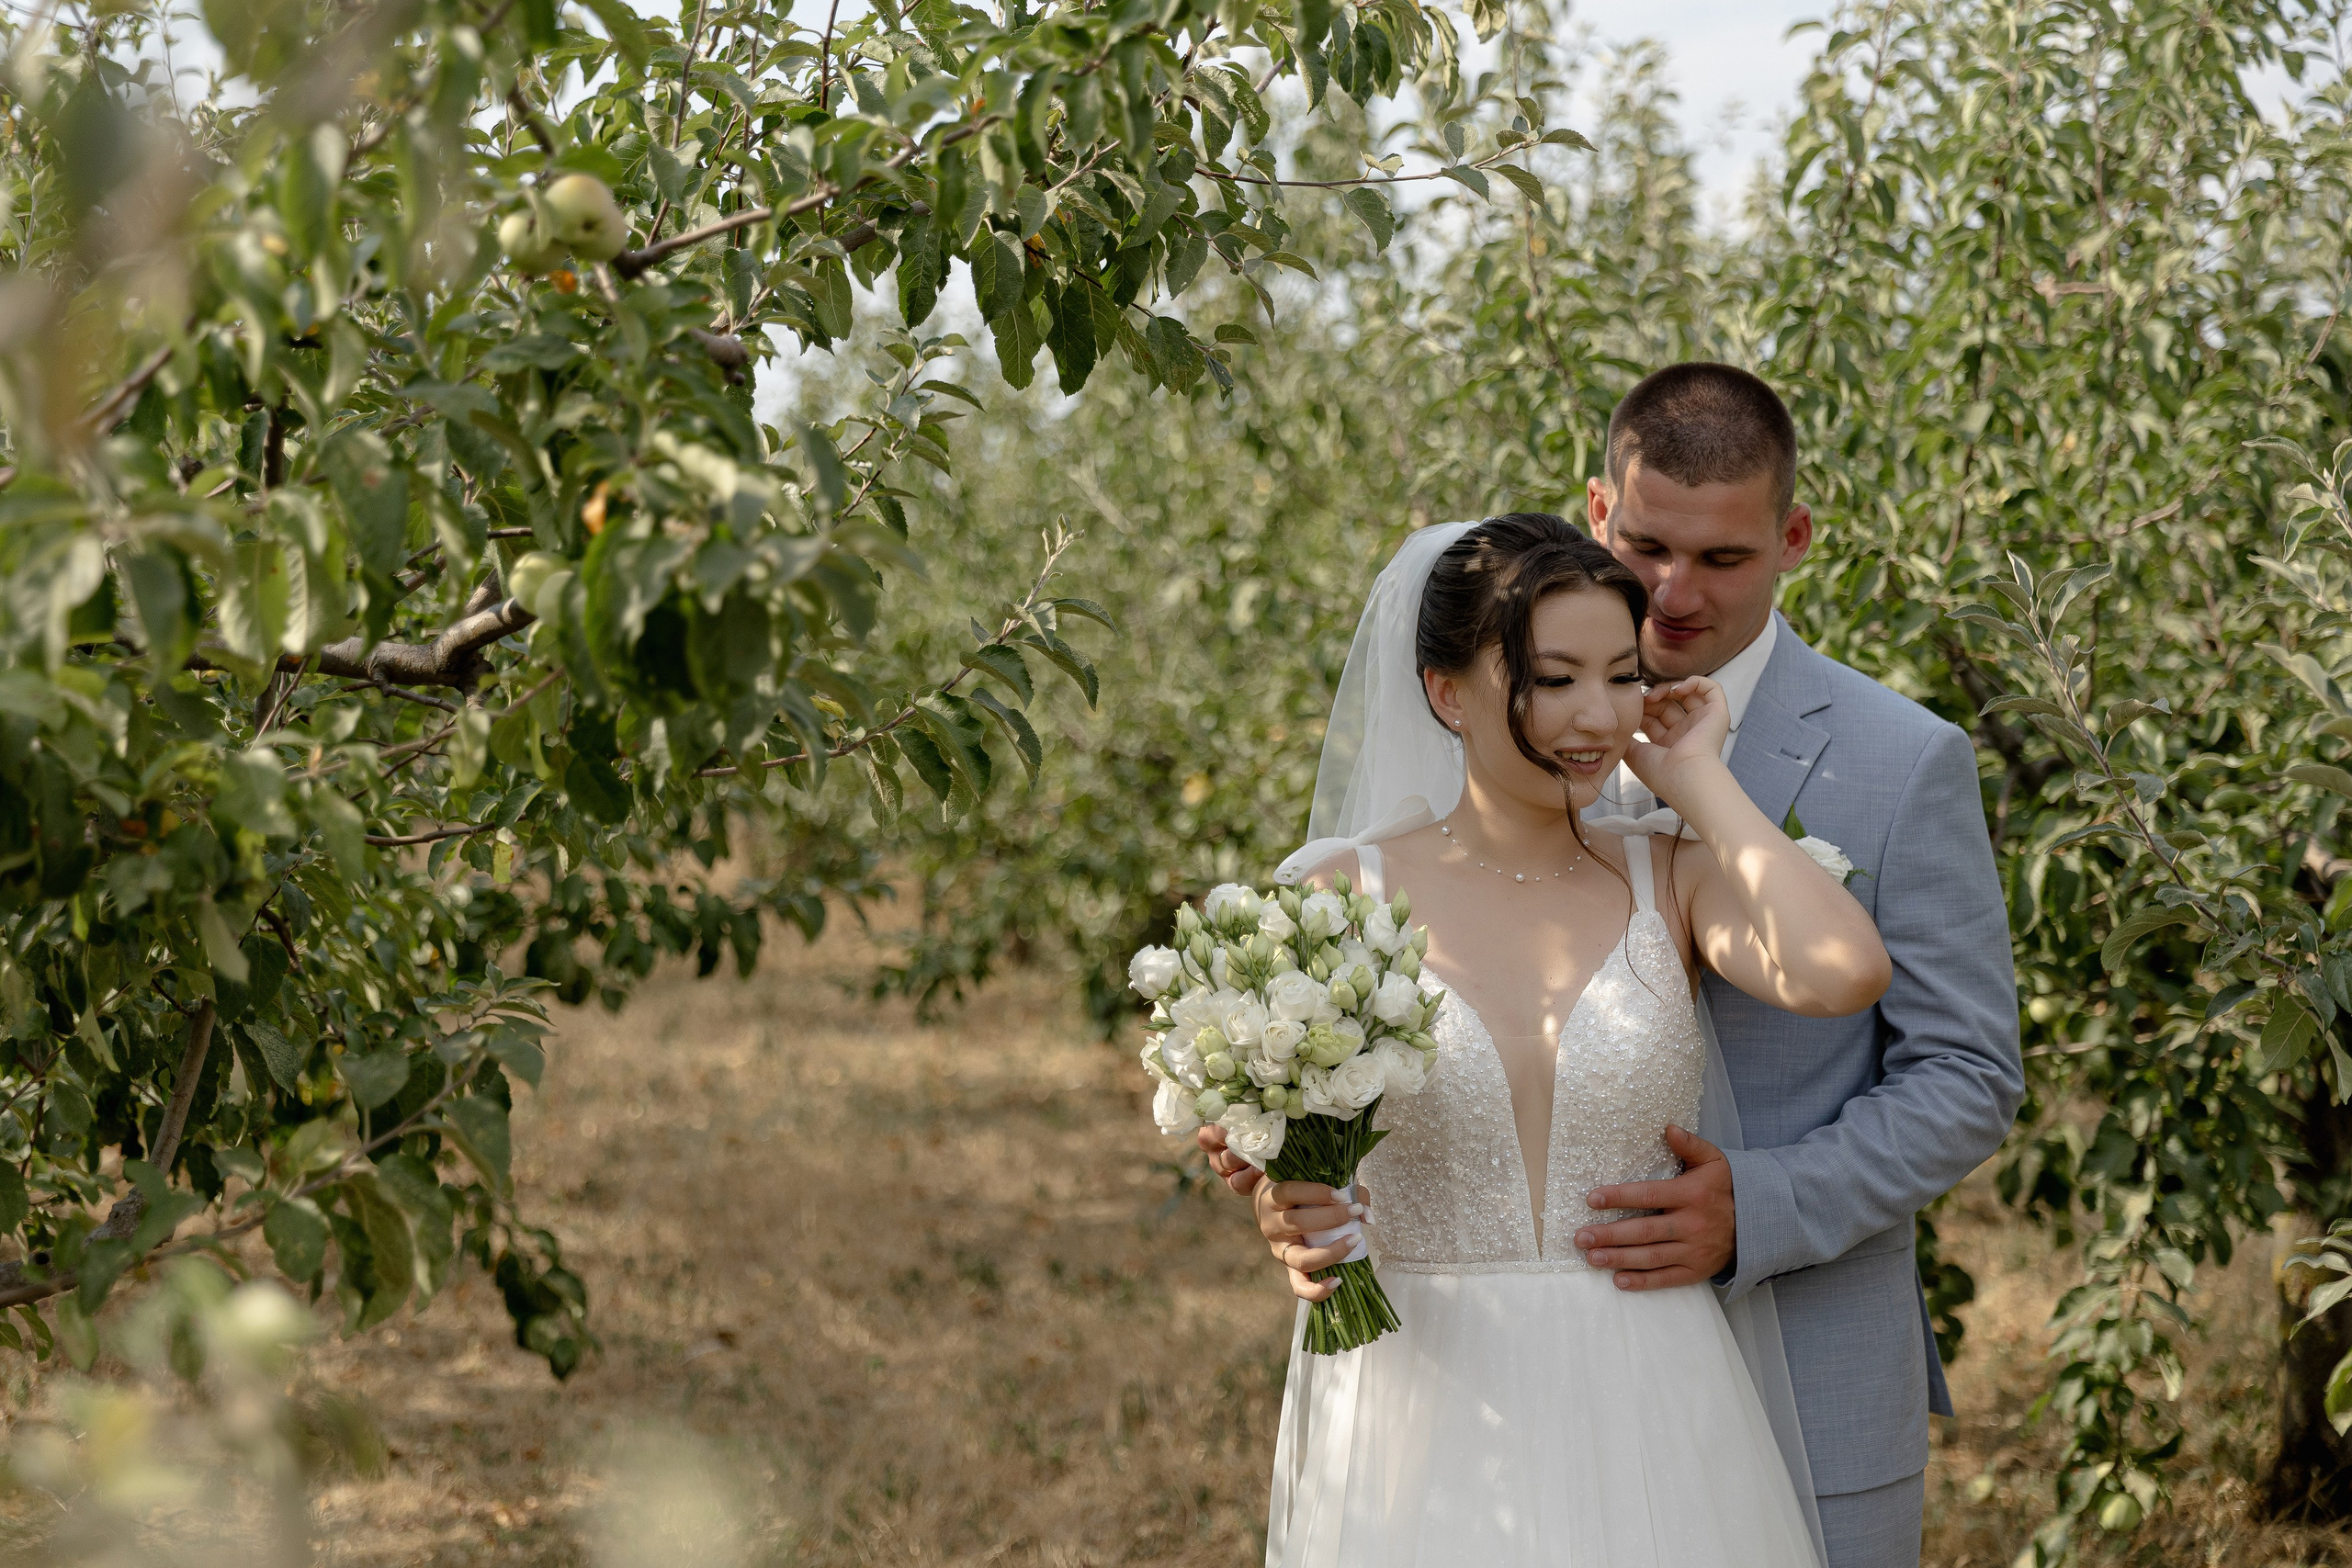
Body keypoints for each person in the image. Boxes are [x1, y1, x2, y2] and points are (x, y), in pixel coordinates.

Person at [1205, 366, 2023, 1568]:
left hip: (1796, 1363)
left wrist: (1762, 1206)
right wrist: (1292, 1185)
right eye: (1647, 548)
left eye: (1724, 558)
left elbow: (1966, 1071)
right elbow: (1292, 1115)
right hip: (1446, 1401)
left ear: (1793, 538)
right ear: (1599, 514)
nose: (1675, 595)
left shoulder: (1900, 762)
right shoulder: (1363, 870)